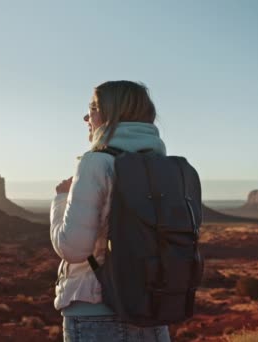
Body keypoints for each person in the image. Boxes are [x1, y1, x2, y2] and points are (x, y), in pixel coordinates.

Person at [50, 80, 171, 342]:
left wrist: (61, 199)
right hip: (153, 309)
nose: (86, 117)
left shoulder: (96, 162)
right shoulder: (164, 166)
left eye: (93, 108)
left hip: (97, 310)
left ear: (112, 114)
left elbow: (72, 249)